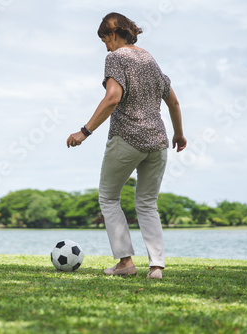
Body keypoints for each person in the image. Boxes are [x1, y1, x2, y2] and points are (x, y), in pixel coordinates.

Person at [66, 12, 187, 279]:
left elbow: (112, 98)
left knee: (108, 198)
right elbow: (174, 102)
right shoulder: (150, 60)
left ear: (112, 33)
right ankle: (156, 266)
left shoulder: (116, 57)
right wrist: (179, 134)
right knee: (147, 203)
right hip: (158, 141)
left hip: (127, 138)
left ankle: (125, 263)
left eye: (105, 40)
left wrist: (84, 131)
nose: (106, 47)